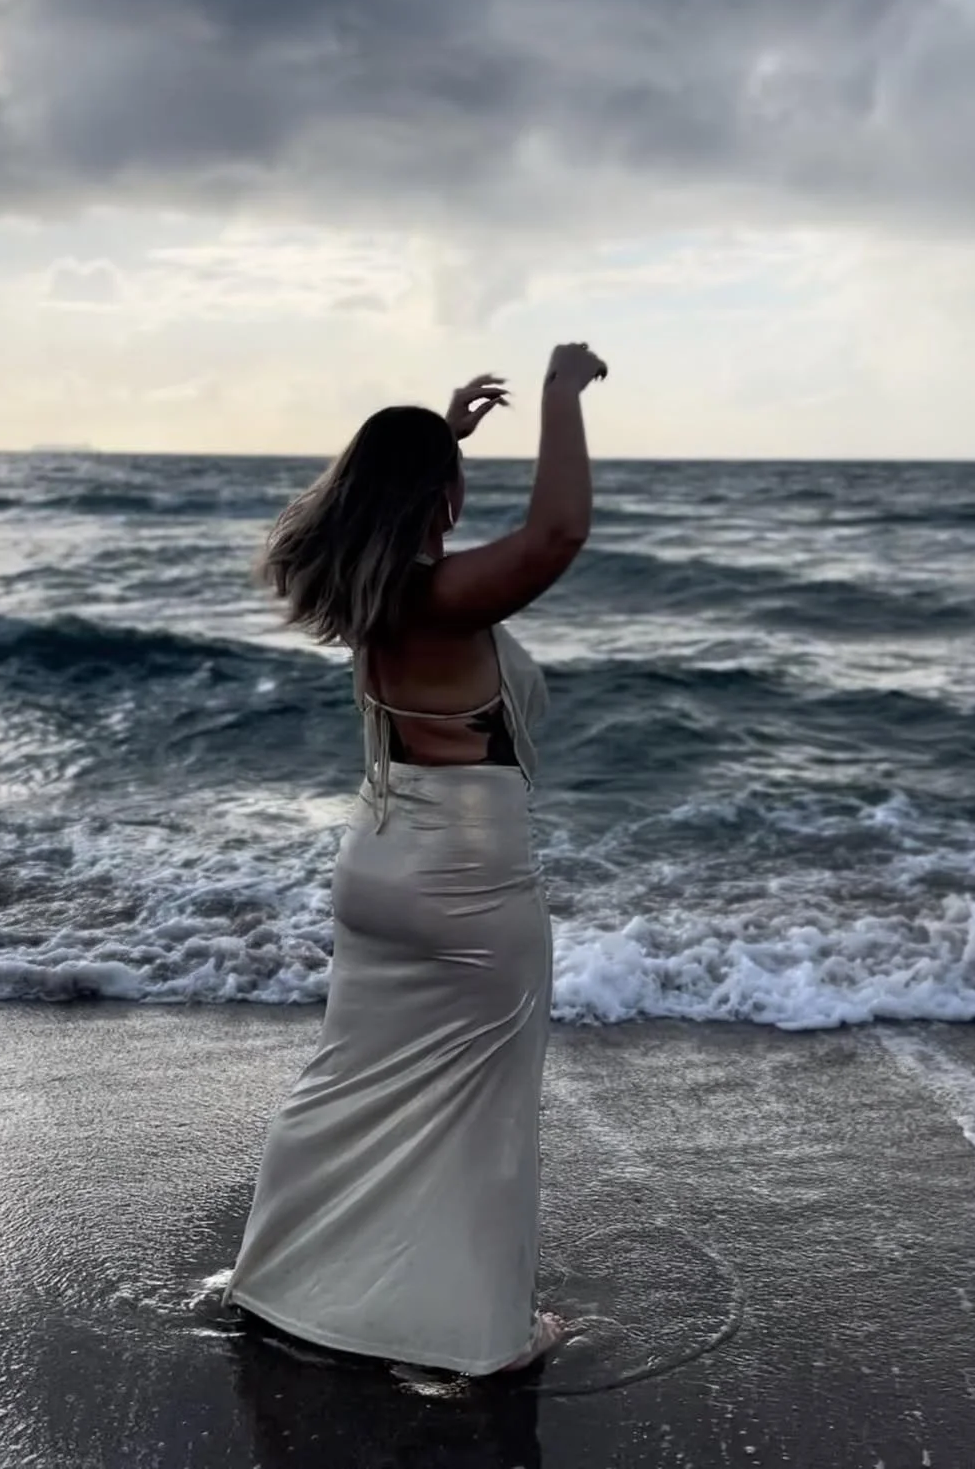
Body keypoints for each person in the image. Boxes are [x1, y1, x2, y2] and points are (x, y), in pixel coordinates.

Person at [223, 341, 608, 1376]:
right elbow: (558, 529)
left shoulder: (367, 586)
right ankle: (477, 1338)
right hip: (470, 887)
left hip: (378, 869)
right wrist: (564, 394)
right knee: (485, 1110)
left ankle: (278, 1278)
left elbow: (422, 528)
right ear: (440, 494)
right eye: (451, 483)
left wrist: (441, 436)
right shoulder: (444, 599)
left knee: (346, 1080)